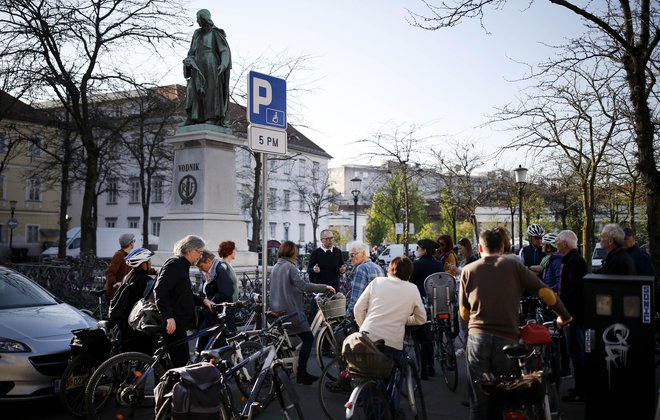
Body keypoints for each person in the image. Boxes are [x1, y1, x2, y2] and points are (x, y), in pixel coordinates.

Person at [459, 228, 572, 419]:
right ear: (503, 247)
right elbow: (544, 293)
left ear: (479, 247)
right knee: (505, 396)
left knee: (479, 401)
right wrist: (564, 315)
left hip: (478, 340)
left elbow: (464, 311)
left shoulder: (469, 270)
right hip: (506, 340)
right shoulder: (514, 266)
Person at [270, 240, 335, 385]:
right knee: (308, 339)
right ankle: (302, 373)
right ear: (292, 252)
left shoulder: (276, 266)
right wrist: (325, 287)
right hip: (290, 312)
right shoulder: (290, 267)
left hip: (277, 310)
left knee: (285, 342)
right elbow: (303, 285)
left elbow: (285, 287)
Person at [154, 235, 214, 368]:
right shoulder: (175, 264)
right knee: (180, 364)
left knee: (175, 363)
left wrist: (203, 301)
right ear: (189, 250)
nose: (200, 256)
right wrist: (168, 317)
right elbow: (160, 291)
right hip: (173, 323)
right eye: (199, 252)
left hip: (178, 321)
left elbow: (183, 294)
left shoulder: (182, 265)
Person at [354, 256, 427, 361]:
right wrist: (404, 320)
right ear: (409, 273)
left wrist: (364, 326)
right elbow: (421, 318)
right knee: (391, 370)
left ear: (390, 269)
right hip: (392, 342)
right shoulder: (412, 289)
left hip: (367, 336)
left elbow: (358, 308)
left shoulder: (377, 282)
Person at [183, 9, 232, 127]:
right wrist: (188, 60)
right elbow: (191, 51)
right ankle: (195, 117)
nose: (197, 20)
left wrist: (223, 64)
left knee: (211, 90)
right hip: (198, 63)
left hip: (211, 64)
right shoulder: (197, 33)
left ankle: (211, 117)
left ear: (204, 18)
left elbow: (224, 50)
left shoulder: (215, 33)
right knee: (194, 90)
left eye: (198, 18)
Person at [556, 230, 588, 403]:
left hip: (573, 315)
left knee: (577, 352)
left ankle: (581, 391)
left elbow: (575, 289)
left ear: (565, 244)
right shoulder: (572, 260)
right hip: (572, 314)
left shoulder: (574, 262)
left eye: (558, 241)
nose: (556, 244)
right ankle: (579, 388)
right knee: (575, 352)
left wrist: (559, 302)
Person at [409, 238, 444, 379]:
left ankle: (422, 368)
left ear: (423, 250)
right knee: (429, 337)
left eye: (418, 248)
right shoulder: (438, 264)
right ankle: (431, 366)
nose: (416, 250)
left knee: (418, 337)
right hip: (436, 303)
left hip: (420, 304)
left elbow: (410, 284)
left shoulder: (417, 264)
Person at [114, 247, 157, 354]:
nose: (151, 264)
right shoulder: (148, 282)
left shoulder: (127, 277)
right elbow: (152, 303)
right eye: (149, 261)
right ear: (143, 264)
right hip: (137, 327)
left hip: (123, 325)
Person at [195, 249, 235, 351]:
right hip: (213, 314)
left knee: (217, 347)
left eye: (201, 266)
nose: (201, 269)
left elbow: (227, 291)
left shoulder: (219, 270)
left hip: (219, 315)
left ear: (208, 261)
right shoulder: (211, 271)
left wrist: (212, 300)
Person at [306, 229, 346, 323]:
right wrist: (314, 270)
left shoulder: (338, 252)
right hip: (320, 290)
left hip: (334, 289)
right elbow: (309, 270)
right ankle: (313, 336)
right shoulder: (315, 253)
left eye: (332, 238)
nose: (330, 240)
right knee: (315, 317)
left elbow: (342, 266)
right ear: (321, 240)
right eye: (327, 238)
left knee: (335, 318)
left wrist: (342, 270)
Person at [450, 237, 479, 358]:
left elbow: (470, 274)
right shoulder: (467, 259)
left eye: (460, 247)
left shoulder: (471, 259)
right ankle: (467, 347)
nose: (459, 250)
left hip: (467, 294)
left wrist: (457, 270)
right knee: (465, 323)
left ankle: (467, 348)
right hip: (463, 292)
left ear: (466, 247)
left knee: (465, 322)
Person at [345, 241, 384, 317]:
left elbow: (356, 298)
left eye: (352, 255)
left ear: (363, 253)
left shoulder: (361, 269)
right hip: (378, 312)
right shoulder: (378, 267)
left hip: (365, 315)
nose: (350, 258)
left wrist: (347, 315)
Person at [104, 233, 136, 298]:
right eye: (133, 241)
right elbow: (110, 272)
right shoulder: (118, 255)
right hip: (116, 294)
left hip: (124, 292)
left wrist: (154, 272)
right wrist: (115, 283)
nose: (134, 243)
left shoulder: (128, 256)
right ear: (130, 243)